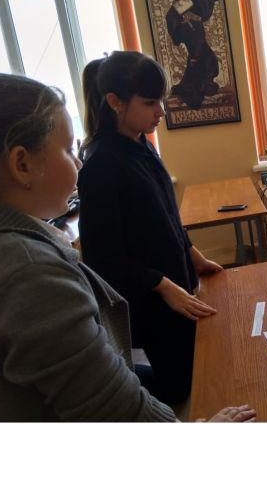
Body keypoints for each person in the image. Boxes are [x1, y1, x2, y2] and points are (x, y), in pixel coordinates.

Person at [0, 72, 255, 422]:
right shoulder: (30, 272)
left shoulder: (142, 147)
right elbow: (115, 411)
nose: (78, 163)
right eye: (68, 151)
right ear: (22, 164)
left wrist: (191, 253)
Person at [77, 51, 223, 405]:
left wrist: (193, 254)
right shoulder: (100, 165)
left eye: (160, 100)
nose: (161, 111)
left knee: (202, 367)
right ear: (115, 102)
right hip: (152, 299)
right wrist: (162, 284)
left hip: (176, 284)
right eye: (149, 103)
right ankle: (115, 382)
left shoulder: (141, 142)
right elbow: (103, 257)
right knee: (180, 389)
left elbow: (165, 214)